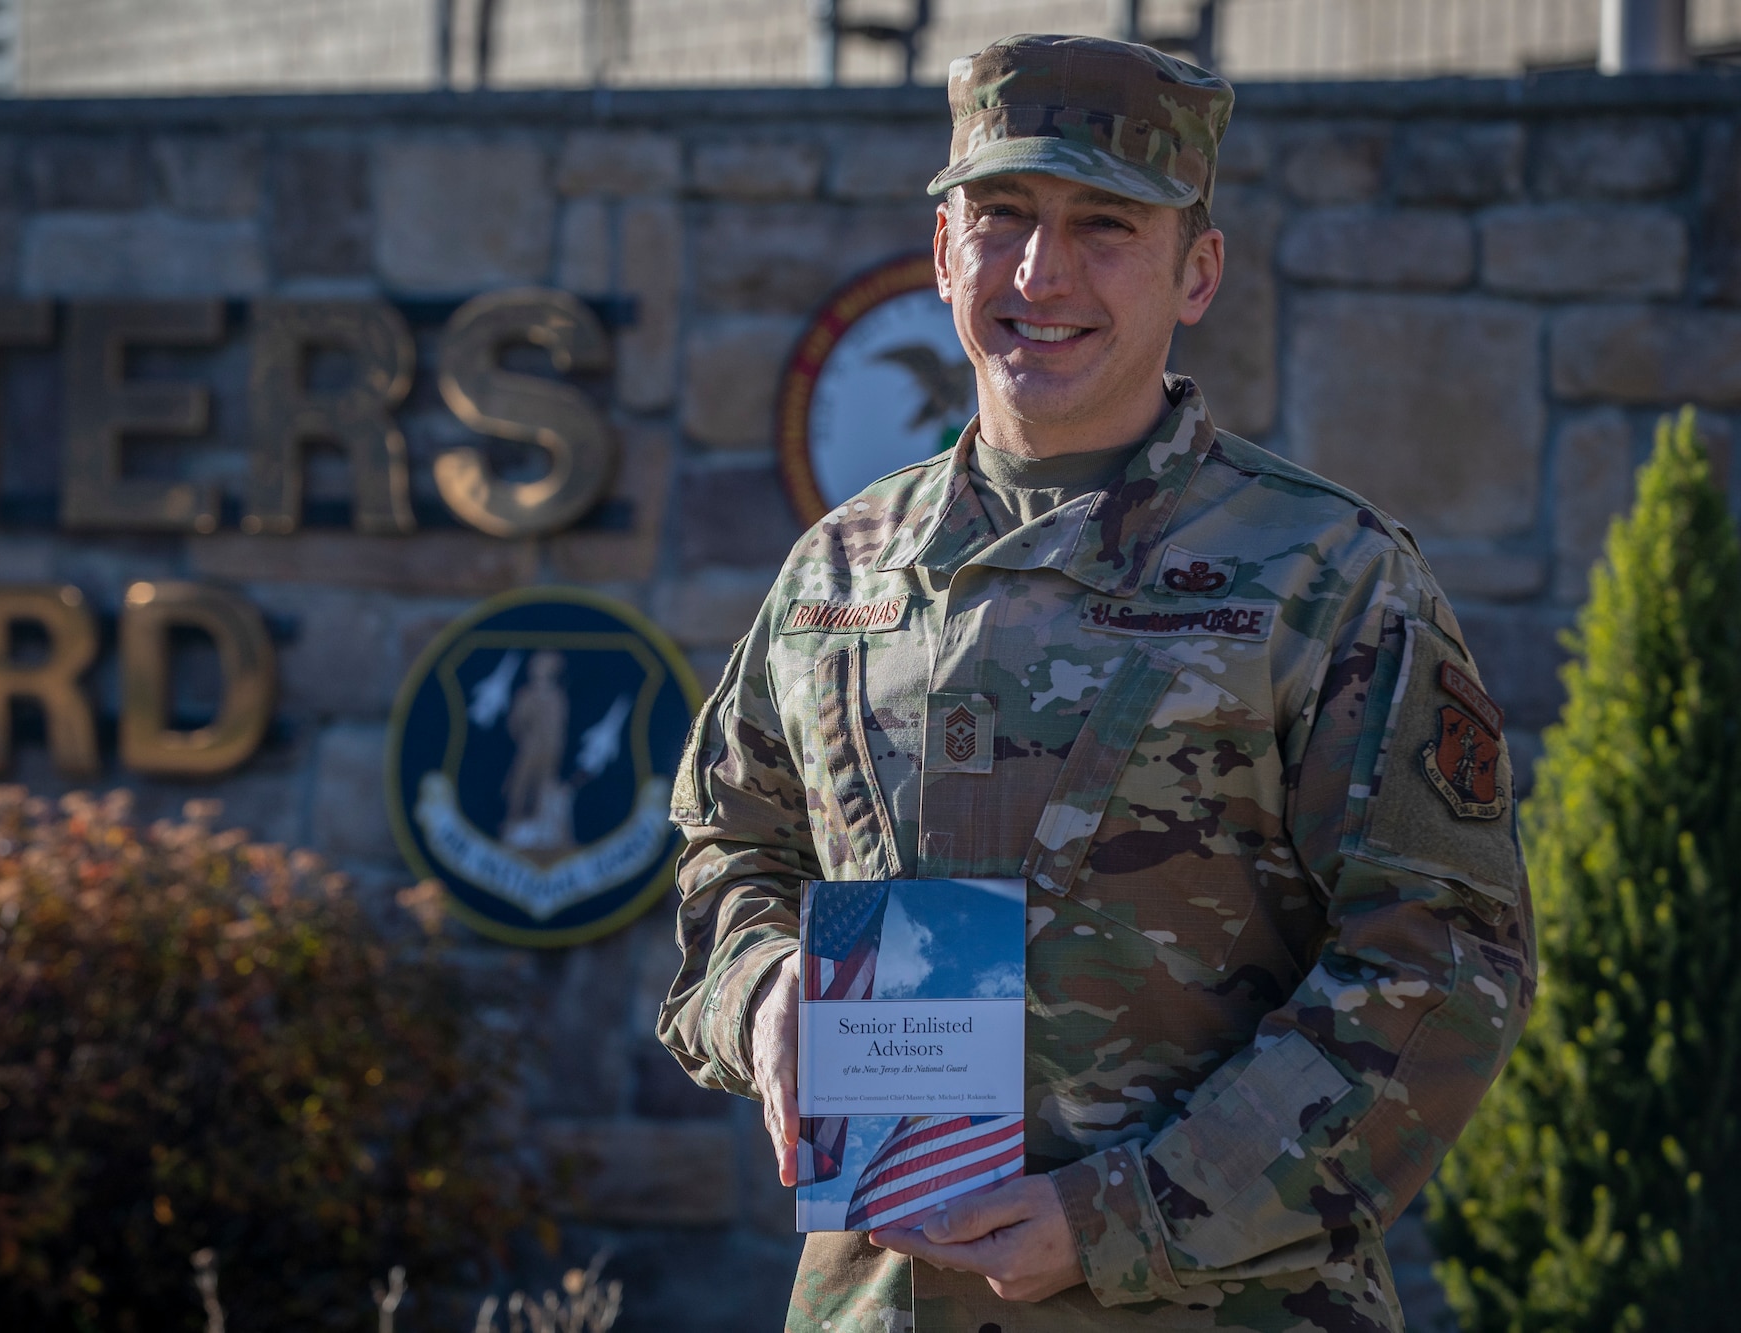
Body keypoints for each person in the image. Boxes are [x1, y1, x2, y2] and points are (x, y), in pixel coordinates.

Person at [656, 32, 1537, 1333]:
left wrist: (1124, 1213)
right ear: (944, 249)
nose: (1040, 272)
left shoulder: (1326, 575)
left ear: (1199, 272)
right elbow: (730, 851)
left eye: (1105, 225)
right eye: (1002, 216)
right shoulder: (838, 571)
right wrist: (767, 990)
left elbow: (1443, 963)